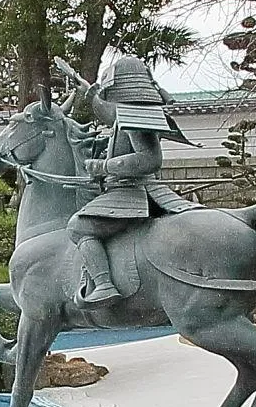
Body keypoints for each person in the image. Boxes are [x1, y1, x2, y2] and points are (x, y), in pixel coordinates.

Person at [67, 56, 199, 308]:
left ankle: (104, 285)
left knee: (78, 227)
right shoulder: (133, 113)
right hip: (132, 189)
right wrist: (90, 94)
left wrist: (103, 165)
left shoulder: (137, 117)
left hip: (134, 192)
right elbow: (109, 114)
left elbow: (149, 159)